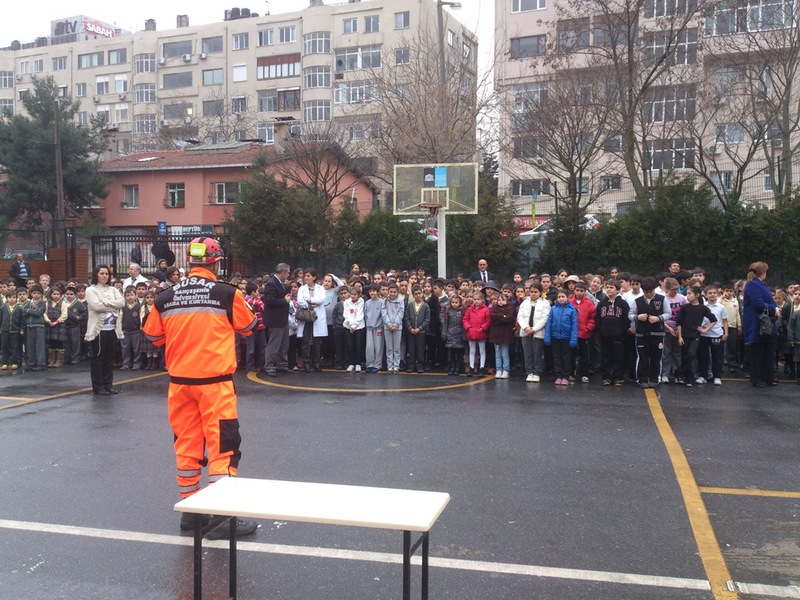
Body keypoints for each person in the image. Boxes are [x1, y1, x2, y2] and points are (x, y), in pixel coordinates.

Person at [142, 237, 258, 539]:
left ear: (190, 262)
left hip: (180, 385)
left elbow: (153, 336)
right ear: (216, 262)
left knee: (187, 446)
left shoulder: (165, 297)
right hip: (215, 385)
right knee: (223, 448)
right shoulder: (225, 293)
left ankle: (191, 513)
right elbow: (248, 327)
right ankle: (221, 518)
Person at [85, 265, 125, 394]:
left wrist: (106, 303)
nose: (104, 276)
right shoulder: (91, 290)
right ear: (96, 275)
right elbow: (96, 306)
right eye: (101, 273)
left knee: (109, 359)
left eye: (106, 274)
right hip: (99, 330)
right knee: (98, 358)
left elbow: (122, 303)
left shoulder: (113, 289)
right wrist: (112, 305)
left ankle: (108, 385)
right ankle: (98, 386)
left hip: (112, 329)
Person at [741, 261, 780, 388]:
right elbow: (758, 303)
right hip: (757, 322)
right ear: (763, 272)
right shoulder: (753, 285)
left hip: (765, 322)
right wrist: (774, 309)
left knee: (768, 350)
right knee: (757, 352)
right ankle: (757, 378)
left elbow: (768, 301)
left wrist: (775, 307)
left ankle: (768, 377)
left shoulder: (760, 284)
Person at [629, 276, 670, 388]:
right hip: (641, 333)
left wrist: (658, 318)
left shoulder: (662, 299)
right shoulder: (637, 301)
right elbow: (630, 315)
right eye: (646, 292)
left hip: (658, 333)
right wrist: (638, 317)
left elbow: (668, 313)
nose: (648, 294)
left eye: (650, 292)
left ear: (654, 289)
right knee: (642, 357)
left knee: (657, 357)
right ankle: (641, 379)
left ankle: (654, 379)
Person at [677, 285, 717, 387]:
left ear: (697, 295)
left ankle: (679, 371)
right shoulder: (685, 308)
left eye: (690, 294)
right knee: (685, 355)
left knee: (692, 354)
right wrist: (680, 337)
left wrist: (704, 330)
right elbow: (679, 323)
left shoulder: (703, 308)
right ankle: (688, 377)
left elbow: (713, 320)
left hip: (695, 335)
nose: (687, 296)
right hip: (685, 335)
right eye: (687, 294)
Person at [596, 279, 630, 386]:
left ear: (618, 290)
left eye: (612, 287)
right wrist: (601, 329)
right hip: (605, 335)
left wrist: (621, 331)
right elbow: (597, 318)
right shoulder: (602, 304)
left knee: (618, 357)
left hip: (619, 336)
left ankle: (618, 377)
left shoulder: (623, 304)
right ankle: (606, 376)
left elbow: (626, 319)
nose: (609, 290)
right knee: (605, 356)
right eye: (608, 287)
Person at [262, 263, 292, 377]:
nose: (288, 275)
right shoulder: (271, 284)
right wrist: (284, 301)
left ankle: (282, 364)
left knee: (284, 343)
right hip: (275, 319)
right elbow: (269, 301)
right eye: (288, 272)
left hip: (282, 318)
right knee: (274, 344)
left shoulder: (279, 283)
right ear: (283, 272)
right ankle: (269, 366)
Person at [544, 289, 578, 385]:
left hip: (566, 337)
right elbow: (549, 323)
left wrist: (573, 339)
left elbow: (574, 325)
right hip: (555, 336)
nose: (561, 299)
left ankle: (565, 376)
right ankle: (558, 375)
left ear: (567, 298)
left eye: (563, 297)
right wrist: (548, 336)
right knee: (556, 357)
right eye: (559, 297)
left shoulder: (572, 310)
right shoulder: (553, 309)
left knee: (566, 358)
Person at [517, 283, 550, 383]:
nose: (533, 294)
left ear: (540, 293)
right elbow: (520, 317)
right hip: (525, 332)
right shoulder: (524, 303)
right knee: (527, 353)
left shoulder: (545, 303)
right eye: (531, 292)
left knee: (537, 353)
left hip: (538, 332)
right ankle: (529, 372)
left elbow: (545, 318)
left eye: (535, 292)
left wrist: (534, 329)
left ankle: (537, 372)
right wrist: (525, 327)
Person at [297, 268, 328, 372]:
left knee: (317, 341)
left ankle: (317, 362)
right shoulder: (302, 288)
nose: (306, 278)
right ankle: (306, 362)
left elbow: (321, 299)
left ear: (314, 277)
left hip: (317, 317)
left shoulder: (320, 288)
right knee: (305, 340)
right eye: (305, 276)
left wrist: (310, 300)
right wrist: (311, 304)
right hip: (306, 316)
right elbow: (300, 301)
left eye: (308, 276)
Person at [699, 284, 729, 386]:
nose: (712, 295)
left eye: (714, 293)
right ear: (705, 295)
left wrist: (726, 333)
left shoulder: (721, 307)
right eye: (710, 293)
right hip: (704, 335)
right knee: (703, 356)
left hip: (717, 334)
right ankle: (703, 375)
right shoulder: (702, 307)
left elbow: (725, 321)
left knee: (717, 357)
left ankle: (717, 376)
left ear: (718, 294)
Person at [569, 282, 596, 383]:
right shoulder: (570, 302)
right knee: (571, 354)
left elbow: (593, 318)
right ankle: (571, 373)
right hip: (572, 334)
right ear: (574, 291)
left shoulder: (589, 303)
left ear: (585, 292)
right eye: (577, 290)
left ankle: (584, 374)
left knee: (585, 355)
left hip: (584, 334)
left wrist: (588, 328)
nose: (579, 293)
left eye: (581, 291)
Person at [463, 289, 490, 376]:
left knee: (482, 351)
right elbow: (465, 319)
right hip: (471, 332)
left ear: (482, 300)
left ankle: (481, 367)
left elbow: (488, 321)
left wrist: (482, 328)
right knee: (472, 350)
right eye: (475, 299)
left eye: (478, 299)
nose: (476, 301)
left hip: (481, 332)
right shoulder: (469, 309)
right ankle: (471, 367)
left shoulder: (486, 310)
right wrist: (468, 328)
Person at [404, 285, 430, 373]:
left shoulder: (425, 306)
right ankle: (411, 365)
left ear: (422, 294)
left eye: (419, 293)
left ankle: (420, 365)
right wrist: (410, 328)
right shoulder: (409, 305)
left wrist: (420, 328)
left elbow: (427, 319)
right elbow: (406, 318)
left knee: (420, 348)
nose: (418, 295)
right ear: (413, 295)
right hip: (411, 331)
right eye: (416, 294)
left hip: (421, 331)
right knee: (411, 348)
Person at [489, 291, 515, 379]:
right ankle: (498, 369)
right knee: (497, 353)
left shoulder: (510, 308)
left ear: (507, 301)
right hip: (496, 334)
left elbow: (509, 318)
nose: (500, 301)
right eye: (499, 300)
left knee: (504, 353)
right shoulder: (494, 308)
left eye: (503, 300)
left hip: (505, 334)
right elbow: (492, 316)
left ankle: (506, 369)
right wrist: (502, 316)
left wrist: (500, 317)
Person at [381, 282, 405, 373]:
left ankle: (396, 366)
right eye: (390, 292)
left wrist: (395, 324)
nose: (392, 294)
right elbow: (384, 313)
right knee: (389, 348)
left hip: (397, 327)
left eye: (394, 292)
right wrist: (388, 324)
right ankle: (390, 366)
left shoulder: (401, 301)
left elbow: (400, 313)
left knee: (397, 348)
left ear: (397, 292)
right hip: (387, 327)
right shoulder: (385, 301)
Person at [441, 293, 466, 375]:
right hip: (450, 333)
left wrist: (464, 335)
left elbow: (464, 324)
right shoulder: (448, 311)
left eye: (456, 302)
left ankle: (458, 367)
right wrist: (444, 333)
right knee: (451, 352)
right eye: (453, 302)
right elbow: (445, 323)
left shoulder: (462, 312)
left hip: (459, 334)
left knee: (459, 353)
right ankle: (452, 366)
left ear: (460, 303)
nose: (454, 304)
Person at [343, 285, 366, 372]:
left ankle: (358, 363)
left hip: (359, 327)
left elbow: (360, 315)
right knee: (350, 345)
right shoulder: (347, 302)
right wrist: (351, 325)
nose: (353, 296)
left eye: (355, 294)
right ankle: (351, 363)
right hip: (348, 326)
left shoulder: (361, 302)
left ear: (359, 295)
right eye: (351, 294)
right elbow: (346, 315)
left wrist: (354, 325)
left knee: (358, 345)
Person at [44, 286, 68, 368]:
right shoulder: (47, 303)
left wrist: (57, 321)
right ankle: (51, 360)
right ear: (50, 294)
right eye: (54, 294)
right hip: (50, 324)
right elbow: (44, 313)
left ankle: (59, 361)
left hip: (59, 325)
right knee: (51, 343)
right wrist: (48, 321)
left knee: (59, 343)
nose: (56, 296)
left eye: (58, 294)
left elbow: (64, 314)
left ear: (60, 295)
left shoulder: (63, 303)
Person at [363, 284, 384, 373]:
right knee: (369, 347)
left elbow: (383, 315)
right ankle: (370, 364)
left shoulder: (382, 302)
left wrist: (379, 324)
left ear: (377, 292)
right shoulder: (367, 303)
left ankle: (377, 365)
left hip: (379, 328)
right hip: (369, 328)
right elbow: (365, 315)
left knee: (378, 347)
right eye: (370, 291)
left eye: (374, 291)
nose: (372, 293)